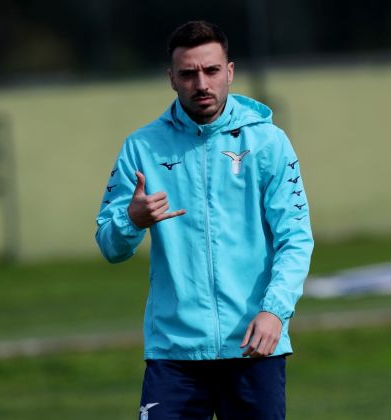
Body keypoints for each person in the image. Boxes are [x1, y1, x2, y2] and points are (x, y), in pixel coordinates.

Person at [95, 20, 313, 420]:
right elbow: (109, 246)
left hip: (255, 343)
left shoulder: (268, 142)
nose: (202, 84)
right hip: (174, 352)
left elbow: (295, 238)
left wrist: (275, 311)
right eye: (188, 73)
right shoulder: (141, 148)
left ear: (229, 71)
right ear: (171, 79)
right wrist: (132, 220)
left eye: (211, 71)